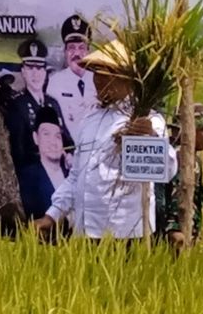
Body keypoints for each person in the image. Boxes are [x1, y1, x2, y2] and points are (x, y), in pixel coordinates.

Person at [35, 41, 176, 242]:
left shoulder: (148, 121)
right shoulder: (90, 120)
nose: (98, 81)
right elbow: (76, 177)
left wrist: (150, 138)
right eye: (96, 73)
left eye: (106, 74)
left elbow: (168, 171)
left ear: (127, 79)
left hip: (126, 236)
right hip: (85, 233)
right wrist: (52, 215)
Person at [7, 38, 69, 176]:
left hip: (61, 175)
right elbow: (19, 152)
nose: (35, 74)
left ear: (45, 72)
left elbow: (67, 139)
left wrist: (69, 155)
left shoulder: (53, 103)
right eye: (30, 68)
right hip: (35, 177)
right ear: (23, 72)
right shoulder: (17, 106)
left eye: (39, 68)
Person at [154, 103, 203, 248]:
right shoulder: (179, 158)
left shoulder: (193, 159)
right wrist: (174, 230)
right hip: (175, 239)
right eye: (202, 129)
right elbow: (174, 197)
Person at [45, 14, 97, 136]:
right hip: (67, 151)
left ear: (88, 51)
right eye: (71, 48)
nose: (77, 54)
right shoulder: (55, 82)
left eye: (81, 48)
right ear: (65, 52)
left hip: (95, 151)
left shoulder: (99, 80)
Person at [17, 106, 69, 219]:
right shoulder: (29, 177)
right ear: (36, 138)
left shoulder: (71, 172)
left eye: (58, 136)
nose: (53, 142)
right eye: (46, 134)